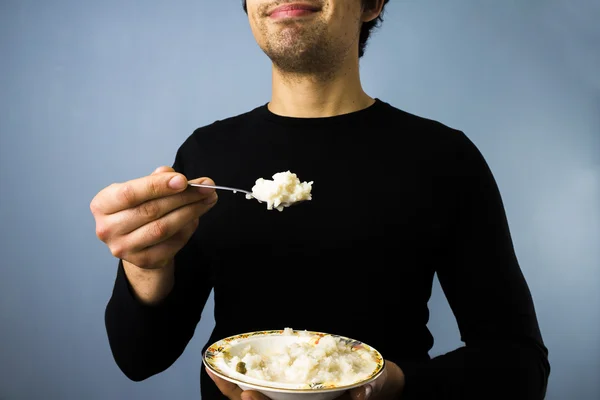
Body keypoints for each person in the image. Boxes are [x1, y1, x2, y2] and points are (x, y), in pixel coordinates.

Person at [90, 0, 551, 399]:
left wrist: (397, 386)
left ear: (371, 4)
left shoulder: (444, 158)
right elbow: (140, 359)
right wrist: (145, 268)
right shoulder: (205, 156)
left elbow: (520, 368)